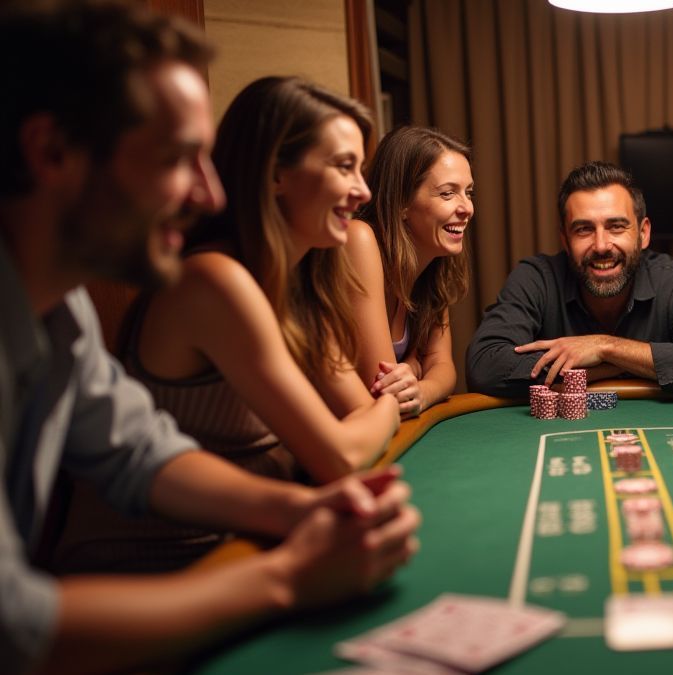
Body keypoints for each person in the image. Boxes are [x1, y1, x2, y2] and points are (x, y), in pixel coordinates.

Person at [0, 3, 418, 672]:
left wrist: (303, 508)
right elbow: (14, 626)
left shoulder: (65, 306)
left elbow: (140, 451)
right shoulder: (210, 277)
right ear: (52, 152)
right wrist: (285, 577)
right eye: (179, 158)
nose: (211, 194)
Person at [51, 75, 405, 574]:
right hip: (152, 568)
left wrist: (373, 412)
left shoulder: (301, 289)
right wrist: (390, 402)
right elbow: (343, 453)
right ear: (274, 172)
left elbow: (357, 415)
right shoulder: (216, 282)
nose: (362, 191)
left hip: (244, 547)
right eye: (345, 166)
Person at [466, 161, 673, 397]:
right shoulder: (536, 278)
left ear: (643, 233)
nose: (601, 245)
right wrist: (617, 366)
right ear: (564, 238)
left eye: (616, 226)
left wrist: (604, 346)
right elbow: (484, 365)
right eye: (584, 229)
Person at [345, 127, 472, 416]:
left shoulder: (433, 266)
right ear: (401, 202)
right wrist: (412, 369)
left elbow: (443, 368)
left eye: (468, 192)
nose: (467, 207)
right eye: (448, 193)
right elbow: (382, 385)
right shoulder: (360, 239)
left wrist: (422, 391)